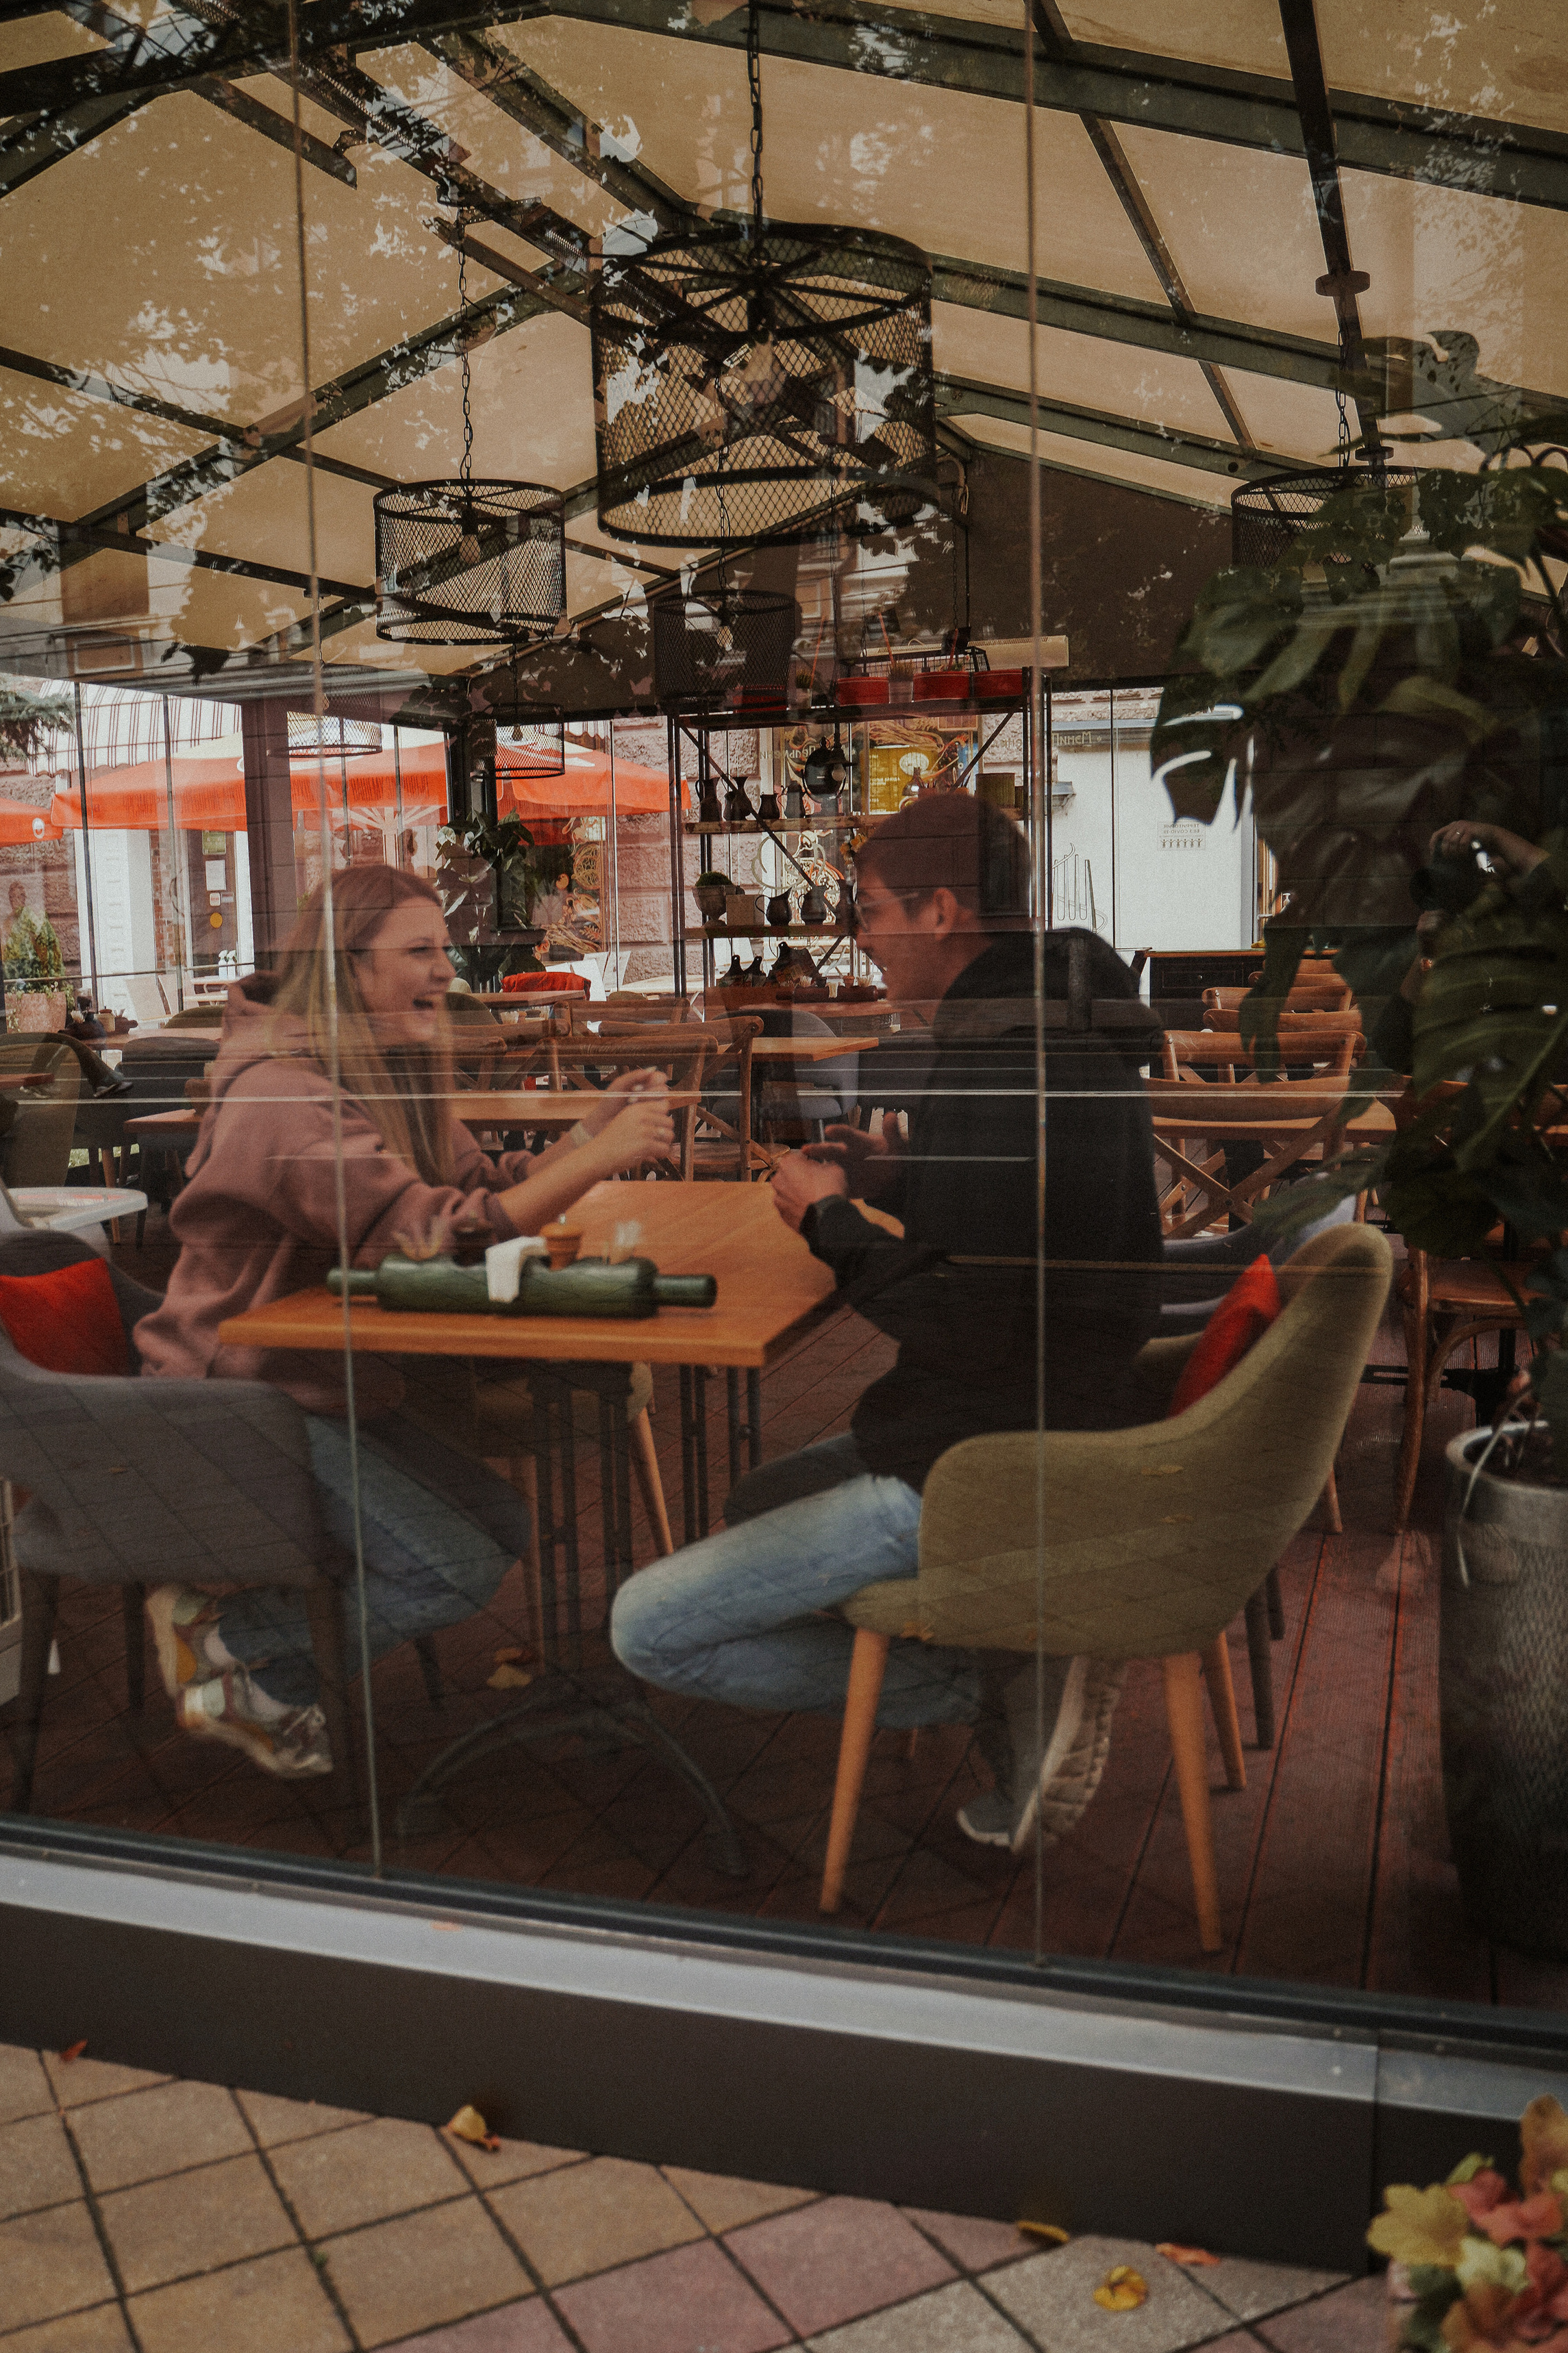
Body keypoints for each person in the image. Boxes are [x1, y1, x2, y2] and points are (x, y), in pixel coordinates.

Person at [610, 790, 1165, 1854]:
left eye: (868, 911)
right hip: (1054, 1410)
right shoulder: (1047, 1017)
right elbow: (1025, 1229)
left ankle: (990, 1677)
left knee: (649, 1627)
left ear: (942, 909)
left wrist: (828, 1221)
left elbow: (968, 1320)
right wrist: (909, 1172)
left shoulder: (1009, 1053)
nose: (856, 936)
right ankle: (1003, 1659)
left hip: (988, 1453)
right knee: (757, 1496)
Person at [134, 863, 677, 1776]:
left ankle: (249, 1662)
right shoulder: (278, 1094)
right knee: (451, 1566)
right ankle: (240, 1649)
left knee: (497, 1523)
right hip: (239, 1398)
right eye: (419, 952)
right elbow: (425, 1239)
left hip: (325, 1382)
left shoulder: (389, 1065)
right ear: (350, 969)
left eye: (444, 949)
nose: (445, 971)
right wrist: (596, 1165)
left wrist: (586, 1133)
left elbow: (470, 1194)